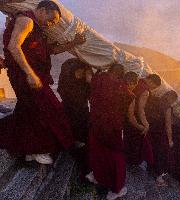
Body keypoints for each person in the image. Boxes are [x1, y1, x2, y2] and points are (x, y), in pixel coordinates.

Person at [0, 0, 85, 164]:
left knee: (30, 110)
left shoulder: (39, 30)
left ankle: (28, 150)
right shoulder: (27, 21)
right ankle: (36, 149)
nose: (52, 24)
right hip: (25, 76)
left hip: (36, 77)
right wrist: (30, 73)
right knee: (48, 110)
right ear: (43, 10)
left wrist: (74, 43)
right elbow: (13, 47)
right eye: (52, 19)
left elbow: (50, 50)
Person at [86, 65, 139, 200]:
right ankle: (117, 189)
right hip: (112, 129)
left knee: (98, 152)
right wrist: (142, 126)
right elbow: (131, 117)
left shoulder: (97, 80)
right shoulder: (128, 94)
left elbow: (88, 78)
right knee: (116, 158)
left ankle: (98, 176)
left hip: (96, 125)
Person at [124, 74, 162, 168]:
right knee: (135, 140)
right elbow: (141, 109)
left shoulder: (137, 81)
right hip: (134, 116)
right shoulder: (145, 91)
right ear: (151, 82)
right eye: (154, 87)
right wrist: (146, 124)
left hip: (124, 112)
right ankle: (130, 161)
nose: (153, 89)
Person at [146, 90, 178, 186]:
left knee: (152, 151)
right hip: (160, 133)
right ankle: (159, 179)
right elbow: (168, 125)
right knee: (161, 155)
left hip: (150, 131)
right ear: (171, 99)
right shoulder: (167, 107)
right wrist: (170, 140)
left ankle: (150, 170)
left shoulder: (154, 100)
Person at [58, 58, 91, 144]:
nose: (80, 74)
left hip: (76, 109)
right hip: (74, 109)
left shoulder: (68, 65)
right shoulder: (69, 67)